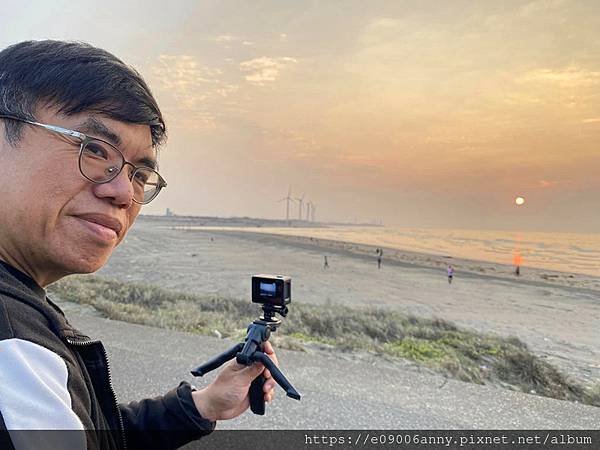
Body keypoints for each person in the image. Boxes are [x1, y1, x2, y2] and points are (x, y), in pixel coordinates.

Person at [0, 40, 278, 450]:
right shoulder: (13, 351)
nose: (123, 193)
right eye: (94, 149)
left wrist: (202, 405)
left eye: (139, 175)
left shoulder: (23, 308)